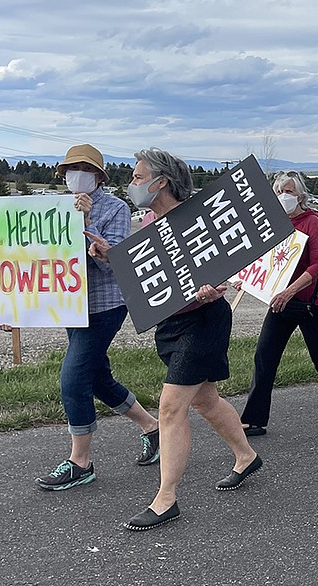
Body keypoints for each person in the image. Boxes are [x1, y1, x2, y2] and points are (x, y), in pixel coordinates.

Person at [85, 148, 262, 531]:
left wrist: (218, 284)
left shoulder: (199, 215)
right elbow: (148, 272)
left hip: (204, 321)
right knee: (205, 400)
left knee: (170, 407)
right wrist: (110, 255)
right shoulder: (148, 220)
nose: (132, 183)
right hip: (171, 323)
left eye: (137, 177)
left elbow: (232, 258)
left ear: (160, 181)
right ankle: (246, 456)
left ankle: (166, 498)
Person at [32, 144, 162, 491]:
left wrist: (86, 223)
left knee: (73, 378)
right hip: (71, 306)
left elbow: (114, 263)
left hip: (105, 305)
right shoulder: (50, 209)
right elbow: (35, 262)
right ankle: (152, 427)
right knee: (97, 376)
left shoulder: (116, 208)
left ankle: (81, 462)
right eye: (71, 169)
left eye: (84, 169)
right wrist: (13, 307)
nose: (76, 175)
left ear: (98, 177)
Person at [238, 172, 318, 436]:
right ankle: (254, 418)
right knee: (264, 357)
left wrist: (289, 292)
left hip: (310, 303)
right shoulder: (275, 224)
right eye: (279, 191)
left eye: (289, 191)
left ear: (300, 195)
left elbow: (317, 265)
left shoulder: (311, 221)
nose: (284, 196)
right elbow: (266, 260)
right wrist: (247, 279)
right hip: (280, 302)